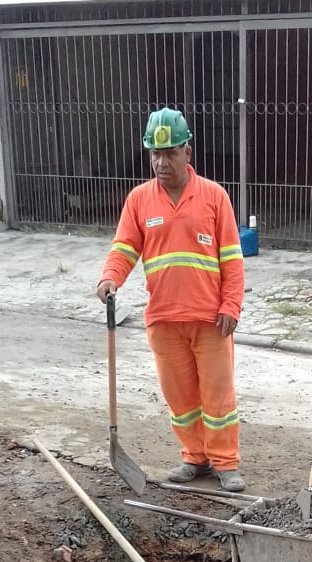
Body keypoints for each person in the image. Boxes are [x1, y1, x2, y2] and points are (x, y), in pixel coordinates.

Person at [97, 107, 246, 492]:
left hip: (211, 320)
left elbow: (232, 257)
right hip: (163, 319)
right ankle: (194, 457)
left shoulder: (214, 197)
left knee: (217, 397)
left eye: (170, 153)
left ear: (187, 152)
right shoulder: (139, 200)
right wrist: (110, 278)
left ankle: (225, 463)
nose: (162, 163)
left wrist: (231, 305)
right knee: (181, 398)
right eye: (155, 154)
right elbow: (125, 247)